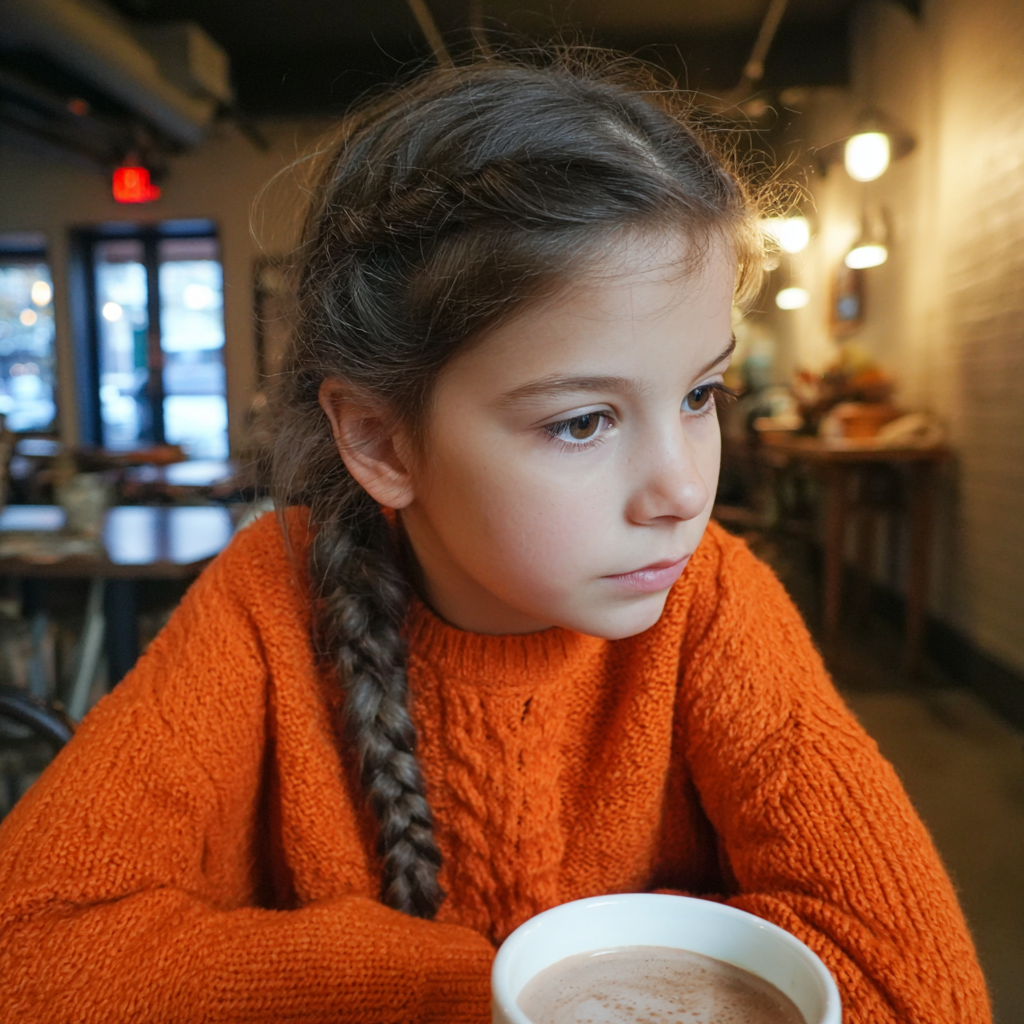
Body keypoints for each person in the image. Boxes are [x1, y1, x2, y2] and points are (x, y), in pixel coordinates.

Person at [0, 54, 989, 1024]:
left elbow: (915, 986)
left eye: (699, 395)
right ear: (381, 441)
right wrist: (471, 987)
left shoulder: (715, 599)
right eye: (581, 422)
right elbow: (29, 956)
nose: (685, 488)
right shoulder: (269, 598)